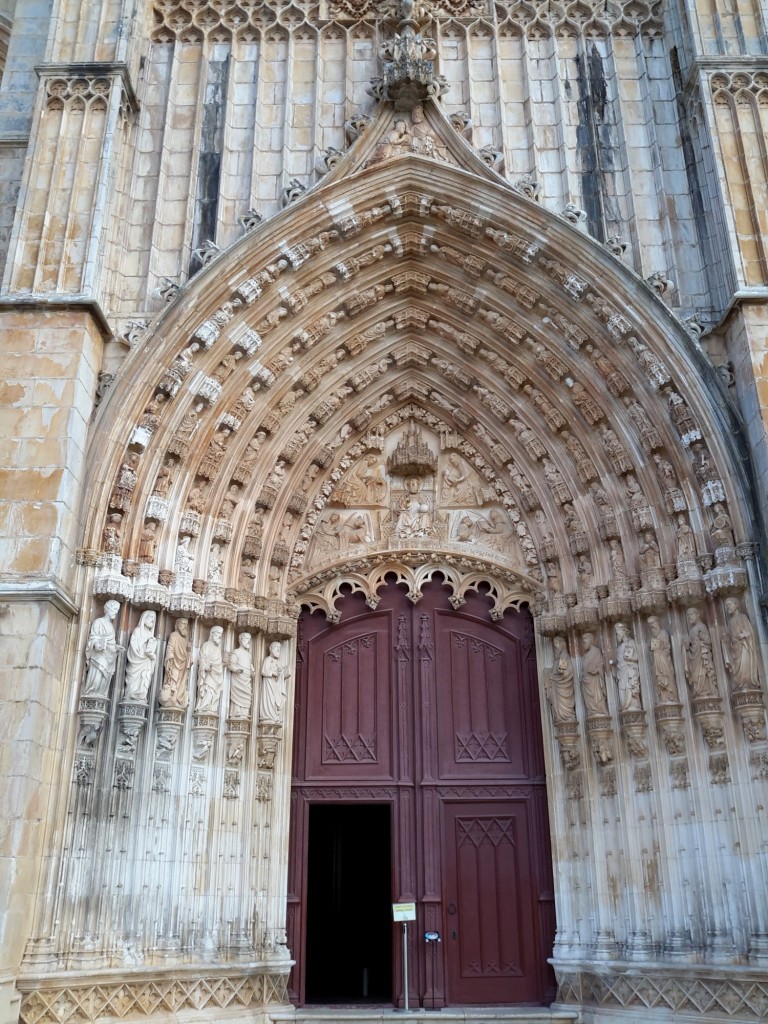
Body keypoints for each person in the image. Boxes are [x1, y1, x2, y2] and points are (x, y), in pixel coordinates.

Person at [82, 600, 122, 698]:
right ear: (108, 609)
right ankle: (91, 693)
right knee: (96, 679)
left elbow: (111, 643)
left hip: (109, 657)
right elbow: (93, 637)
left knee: (104, 681)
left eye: (117, 610)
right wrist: (96, 644)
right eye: (114, 609)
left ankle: (99, 696)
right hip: (99, 656)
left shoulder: (111, 626)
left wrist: (116, 647)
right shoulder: (98, 622)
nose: (116, 612)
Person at [723, 598, 759, 692]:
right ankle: (741, 686)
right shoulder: (730, 621)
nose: (728, 607)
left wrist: (743, 635)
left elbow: (749, 632)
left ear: (736, 605)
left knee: (745, 668)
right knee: (737, 671)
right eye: (726, 606)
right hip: (735, 649)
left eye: (729, 604)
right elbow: (729, 636)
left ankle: (748, 685)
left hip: (744, 647)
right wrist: (725, 639)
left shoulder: (742, 617)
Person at [123, 610, 158, 702]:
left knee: (144, 682)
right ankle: (130, 696)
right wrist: (146, 641)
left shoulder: (151, 635)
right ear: (144, 619)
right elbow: (133, 647)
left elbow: (151, 652)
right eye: (150, 617)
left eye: (154, 618)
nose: (153, 620)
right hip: (137, 662)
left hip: (146, 664)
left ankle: (141, 696)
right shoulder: (137, 631)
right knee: (133, 683)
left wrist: (152, 656)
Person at [683, 607, 718, 698]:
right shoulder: (691, 631)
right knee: (696, 675)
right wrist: (685, 646)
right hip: (694, 657)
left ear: (697, 615)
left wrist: (702, 637)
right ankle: (700, 692)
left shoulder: (702, 627)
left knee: (703, 673)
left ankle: (707, 691)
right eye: (688, 615)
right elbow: (689, 646)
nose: (689, 617)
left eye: (691, 614)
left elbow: (708, 642)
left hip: (702, 657)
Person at [160, 618, 191, 709]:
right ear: (177, 625)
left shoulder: (185, 640)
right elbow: (170, 647)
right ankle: (171, 697)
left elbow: (186, 653)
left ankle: (177, 698)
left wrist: (189, 655)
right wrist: (170, 656)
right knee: (173, 678)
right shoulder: (173, 635)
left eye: (186, 624)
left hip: (183, 664)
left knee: (181, 682)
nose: (185, 626)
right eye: (183, 624)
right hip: (174, 662)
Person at [647, 616, 677, 704]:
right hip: (656, 663)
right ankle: (662, 698)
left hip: (664, 662)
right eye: (649, 624)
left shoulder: (663, 633)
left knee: (667, 679)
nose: (651, 626)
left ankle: (671, 697)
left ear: (657, 623)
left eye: (652, 623)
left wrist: (659, 650)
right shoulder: (652, 637)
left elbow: (667, 648)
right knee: (658, 680)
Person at [546, 636, 576, 723]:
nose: (555, 646)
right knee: (557, 708)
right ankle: (560, 717)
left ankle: (567, 716)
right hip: (556, 686)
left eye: (557, 643)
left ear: (562, 644)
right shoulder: (557, 659)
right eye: (554, 644)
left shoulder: (564, 656)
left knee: (565, 710)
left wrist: (562, 673)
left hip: (563, 686)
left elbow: (568, 672)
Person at [196, 626, 225, 713]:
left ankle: (210, 708)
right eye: (218, 633)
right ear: (211, 634)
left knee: (214, 693)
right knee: (208, 690)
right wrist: (205, 666)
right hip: (208, 675)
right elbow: (202, 659)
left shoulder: (217, 649)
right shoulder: (206, 645)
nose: (220, 635)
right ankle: (203, 707)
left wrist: (223, 664)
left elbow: (218, 664)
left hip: (216, 676)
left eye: (221, 634)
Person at [615, 622, 642, 711]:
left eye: (618, 632)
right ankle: (625, 707)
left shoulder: (631, 642)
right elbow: (619, 662)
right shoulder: (619, 647)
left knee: (630, 688)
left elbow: (637, 657)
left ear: (624, 631)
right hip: (621, 673)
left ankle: (633, 707)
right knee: (622, 690)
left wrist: (630, 659)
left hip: (630, 671)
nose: (617, 634)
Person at [581, 632, 609, 717]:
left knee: (597, 696)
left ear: (590, 640)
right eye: (583, 640)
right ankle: (592, 712)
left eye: (585, 639)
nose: (583, 642)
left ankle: (599, 710)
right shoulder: (586, 655)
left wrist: (595, 669)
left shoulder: (596, 651)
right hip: (587, 681)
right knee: (589, 700)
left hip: (594, 680)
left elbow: (600, 664)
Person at [228, 633, 255, 718]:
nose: (248, 641)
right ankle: (236, 713)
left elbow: (250, 666)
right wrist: (237, 670)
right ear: (240, 640)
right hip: (238, 679)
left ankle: (244, 714)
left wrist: (252, 672)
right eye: (246, 639)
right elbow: (230, 664)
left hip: (246, 680)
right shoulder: (236, 652)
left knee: (246, 697)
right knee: (237, 697)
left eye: (249, 639)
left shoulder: (248, 655)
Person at [259, 641, 287, 724]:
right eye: (276, 648)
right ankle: (268, 717)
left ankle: (275, 716)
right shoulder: (268, 659)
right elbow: (264, 671)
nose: (278, 650)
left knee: (276, 700)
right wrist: (273, 673)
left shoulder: (278, 662)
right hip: (269, 685)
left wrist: (282, 673)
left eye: (279, 648)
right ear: (270, 649)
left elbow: (280, 673)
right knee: (270, 700)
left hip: (277, 685)